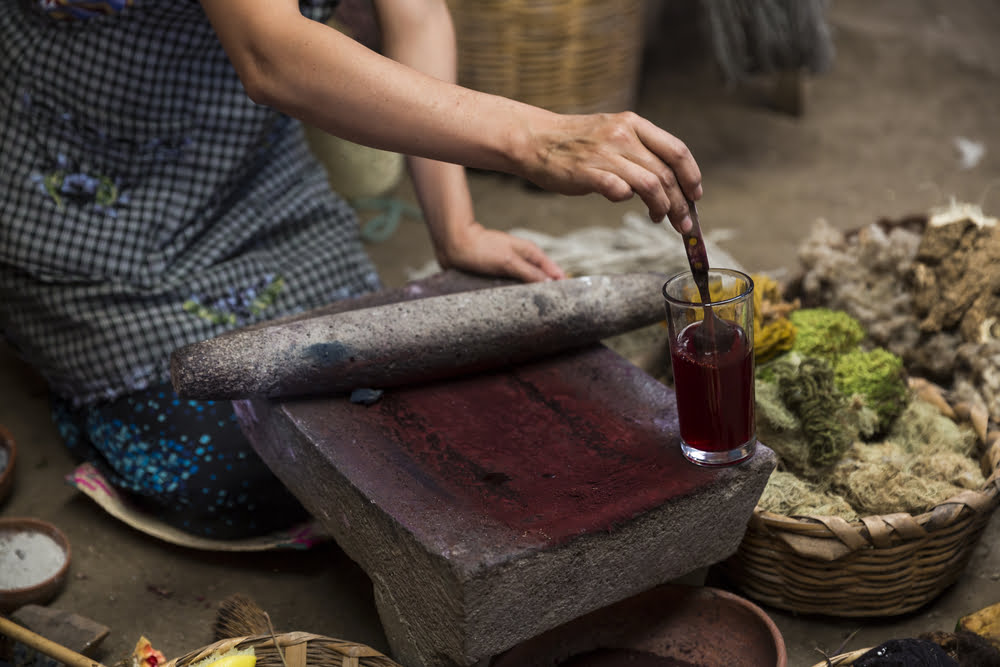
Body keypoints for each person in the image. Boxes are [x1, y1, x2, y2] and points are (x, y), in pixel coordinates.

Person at [0, 0, 702, 539]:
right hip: (79, 202)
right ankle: (68, 373)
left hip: (250, 180)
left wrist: (455, 225)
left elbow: (418, 11)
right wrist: (531, 136)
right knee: (251, 465)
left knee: (372, 411)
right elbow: (269, 53)